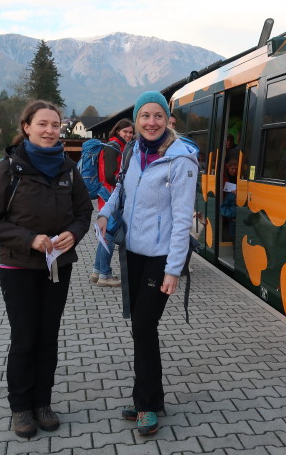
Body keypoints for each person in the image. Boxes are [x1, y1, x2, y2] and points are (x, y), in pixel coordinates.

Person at [0, 100, 93, 438]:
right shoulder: (9, 169)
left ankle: (43, 403)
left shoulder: (68, 169)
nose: (50, 131)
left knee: (48, 337)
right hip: (18, 266)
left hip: (58, 266)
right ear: (27, 126)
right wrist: (30, 239)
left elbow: (83, 212)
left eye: (55, 125)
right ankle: (21, 408)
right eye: (43, 124)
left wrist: (74, 233)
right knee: (25, 338)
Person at [97, 91, 198, 435]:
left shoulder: (181, 160)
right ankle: (150, 398)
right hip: (134, 253)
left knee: (143, 326)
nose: (151, 122)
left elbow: (184, 219)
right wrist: (105, 212)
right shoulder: (132, 152)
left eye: (158, 116)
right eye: (144, 116)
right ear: (137, 121)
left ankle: (147, 404)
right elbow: (121, 190)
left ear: (168, 120)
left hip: (160, 260)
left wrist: (173, 269)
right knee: (141, 328)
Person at [91, 119, 134, 287]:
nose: (128, 135)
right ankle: (105, 275)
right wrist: (126, 181)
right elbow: (110, 175)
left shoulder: (117, 146)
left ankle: (97, 271)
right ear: (117, 131)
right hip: (110, 195)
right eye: (125, 132)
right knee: (109, 235)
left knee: (105, 235)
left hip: (108, 195)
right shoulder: (113, 147)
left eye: (130, 132)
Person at [221, 159, 238, 241]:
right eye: (232, 169)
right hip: (226, 203)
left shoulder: (238, 178)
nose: (234, 171)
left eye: (236, 169)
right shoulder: (223, 178)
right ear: (228, 168)